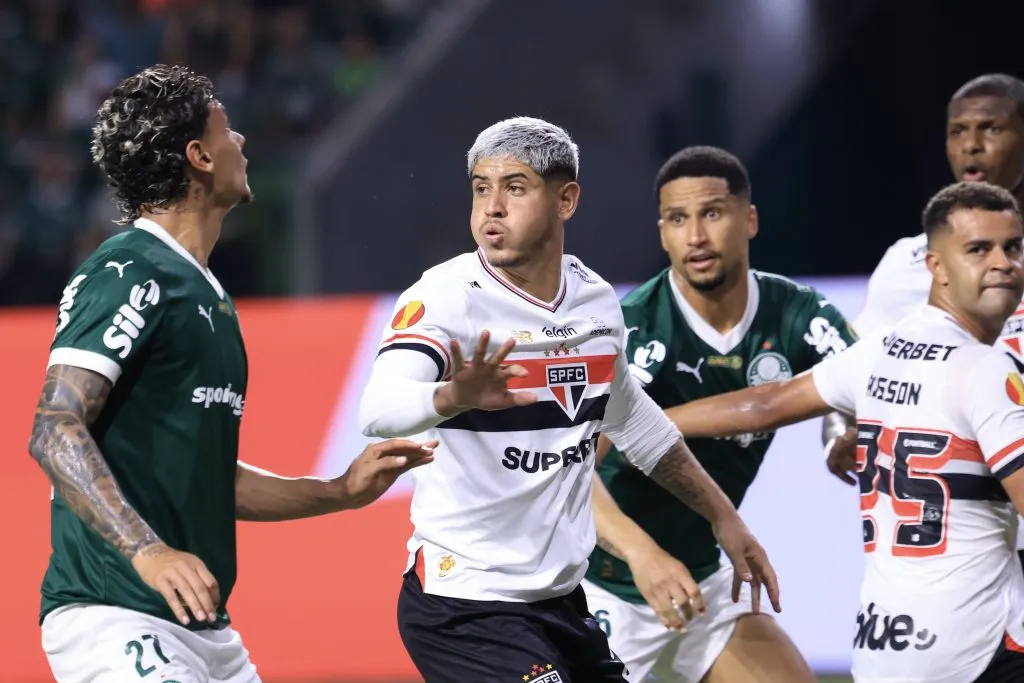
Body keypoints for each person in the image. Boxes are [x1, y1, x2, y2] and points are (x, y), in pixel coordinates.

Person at [29, 64, 436, 683]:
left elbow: (209, 481)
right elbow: (54, 426)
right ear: (198, 156)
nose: (240, 142)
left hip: (205, 632)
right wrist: (149, 552)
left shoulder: (207, 293)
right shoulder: (129, 270)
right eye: (227, 131)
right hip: (115, 617)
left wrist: (338, 492)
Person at [358, 117, 780, 683]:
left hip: (558, 603)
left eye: (514, 187)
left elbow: (638, 426)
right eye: (481, 188)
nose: (492, 209)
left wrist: (724, 519)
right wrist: (454, 394)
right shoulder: (445, 297)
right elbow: (379, 410)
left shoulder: (594, 302)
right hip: (467, 604)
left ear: (566, 200)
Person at [652, 181, 1024, 683]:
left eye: (1013, 247)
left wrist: (646, 424)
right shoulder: (986, 371)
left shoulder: (884, 350)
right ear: (935, 267)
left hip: (885, 648)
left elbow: (766, 403)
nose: (1003, 262)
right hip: (978, 643)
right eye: (979, 249)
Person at [581, 146, 854, 683]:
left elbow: (857, 385)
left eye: (711, 213)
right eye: (678, 220)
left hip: (702, 582)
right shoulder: (631, 331)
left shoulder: (799, 314)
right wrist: (643, 555)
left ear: (748, 219)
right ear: (662, 234)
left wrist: (839, 431)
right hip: (600, 585)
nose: (696, 237)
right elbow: (570, 473)